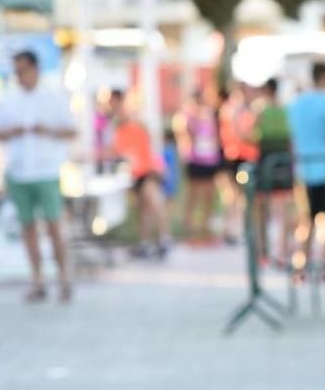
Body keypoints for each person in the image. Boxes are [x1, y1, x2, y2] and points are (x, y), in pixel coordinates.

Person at [0, 50, 76, 303]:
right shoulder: (9, 98)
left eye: (23, 70)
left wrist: (46, 130)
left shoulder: (53, 96)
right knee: (27, 228)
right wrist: (11, 132)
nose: (19, 76)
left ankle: (63, 278)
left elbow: (71, 130)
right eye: (16, 71)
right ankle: (37, 280)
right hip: (19, 171)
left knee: (53, 225)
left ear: (35, 68)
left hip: (46, 170)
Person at [287, 62, 325, 280]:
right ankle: (324, 267)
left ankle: (300, 267)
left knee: (306, 221)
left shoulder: (297, 103)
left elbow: (291, 135)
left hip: (304, 168)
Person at [106, 89, 170, 259]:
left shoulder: (131, 118)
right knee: (143, 208)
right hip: (135, 170)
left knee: (154, 202)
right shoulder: (118, 124)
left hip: (146, 168)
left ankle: (164, 238)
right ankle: (145, 242)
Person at [254, 77, 295, 267]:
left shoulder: (261, 111)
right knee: (285, 206)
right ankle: (283, 249)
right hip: (284, 161)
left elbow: (252, 134)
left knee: (262, 206)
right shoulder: (285, 110)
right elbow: (291, 138)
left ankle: (264, 250)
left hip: (267, 160)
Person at [174, 86, 222, 241]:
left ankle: (205, 226)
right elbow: (185, 136)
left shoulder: (208, 114)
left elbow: (214, 135)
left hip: (209, 159)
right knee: (193, 194)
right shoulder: (186, 116)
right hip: (195, 160)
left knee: (209, 194)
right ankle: (189, 227)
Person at [219, 83, 260, 244]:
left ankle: (241, 228)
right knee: (235, 195)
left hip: (245, 157)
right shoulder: (233, 110)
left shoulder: (245, 109)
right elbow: (241, 134)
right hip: (237, 158)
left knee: (243, 196)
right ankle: (233, 229)